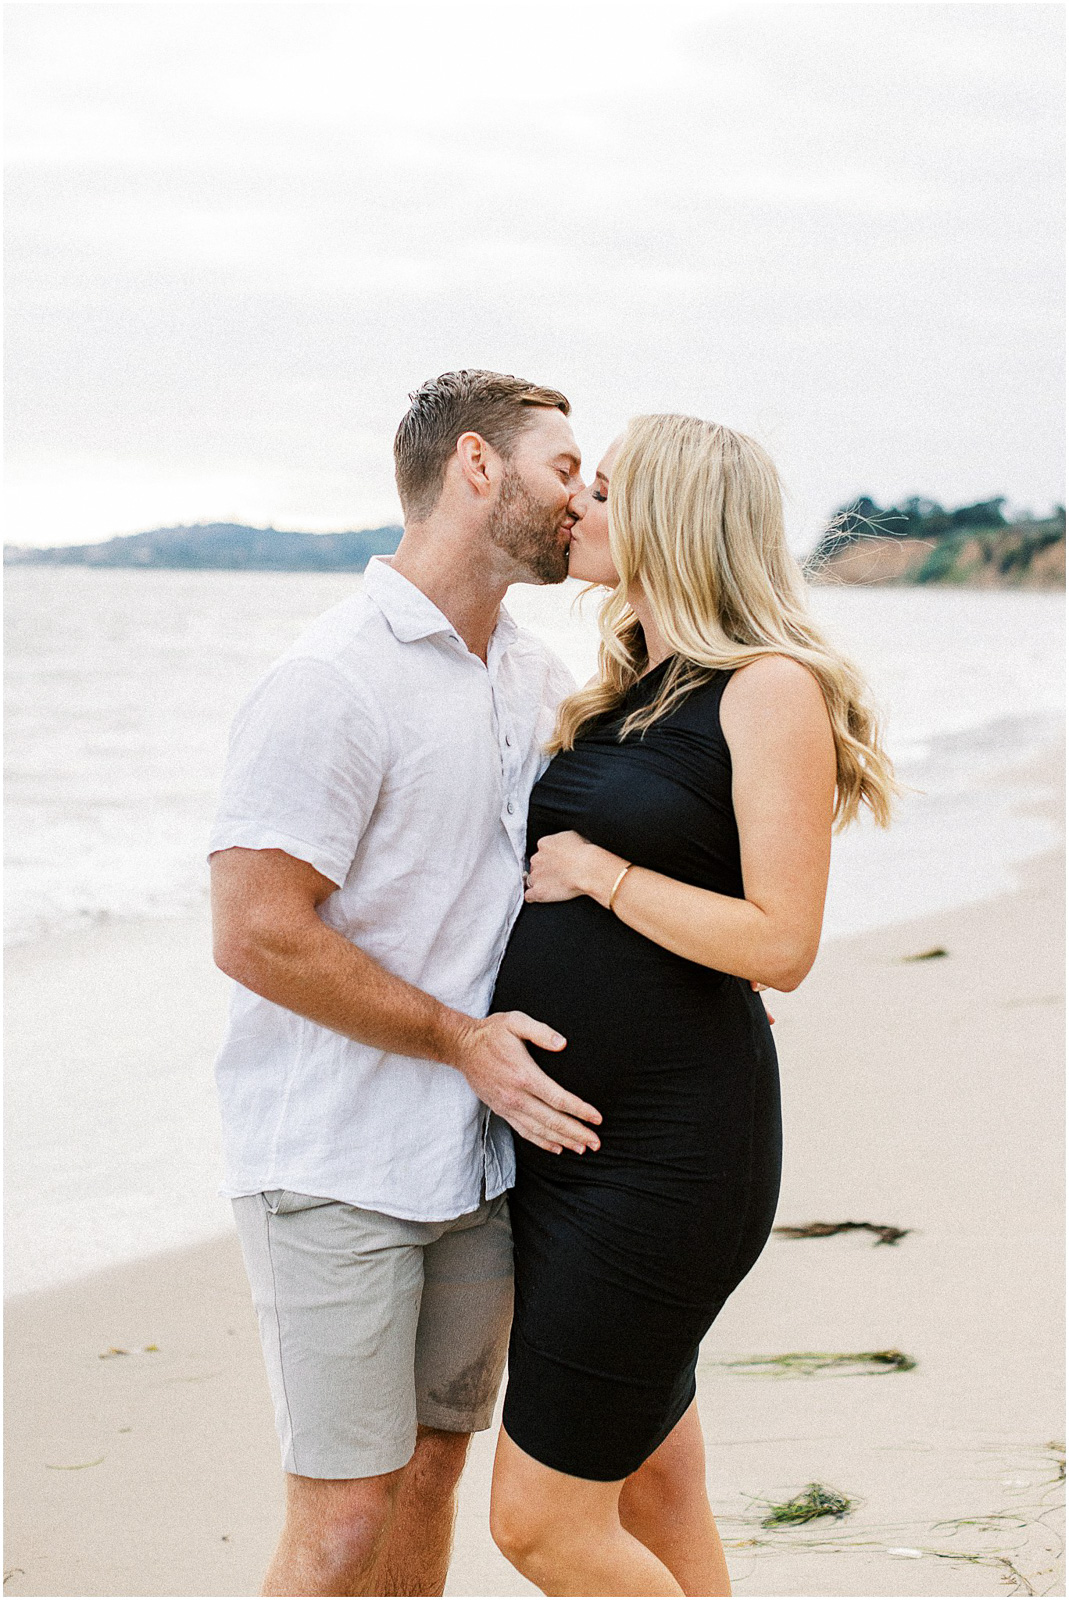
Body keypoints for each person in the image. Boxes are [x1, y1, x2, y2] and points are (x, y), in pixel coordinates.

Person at [208, 369, 604, 1598]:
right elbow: (255, 931)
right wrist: (457, 1039)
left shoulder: (533, 680)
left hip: (475, 1165)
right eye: (563, 471)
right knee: (339, 1522)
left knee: (431, 1478)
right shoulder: (330, 677)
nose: (583, 496)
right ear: (476, 467)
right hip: (333, 1158)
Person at [488, 414, 898, 1597]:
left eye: (606, 491)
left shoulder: (768, 688)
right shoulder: (626, 690)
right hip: (573, 1151)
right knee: (658, 1494)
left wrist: (599, 876)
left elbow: (782, 943)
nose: (579, 508)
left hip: (667, 1161)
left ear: (672, 517)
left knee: (541, 1524)